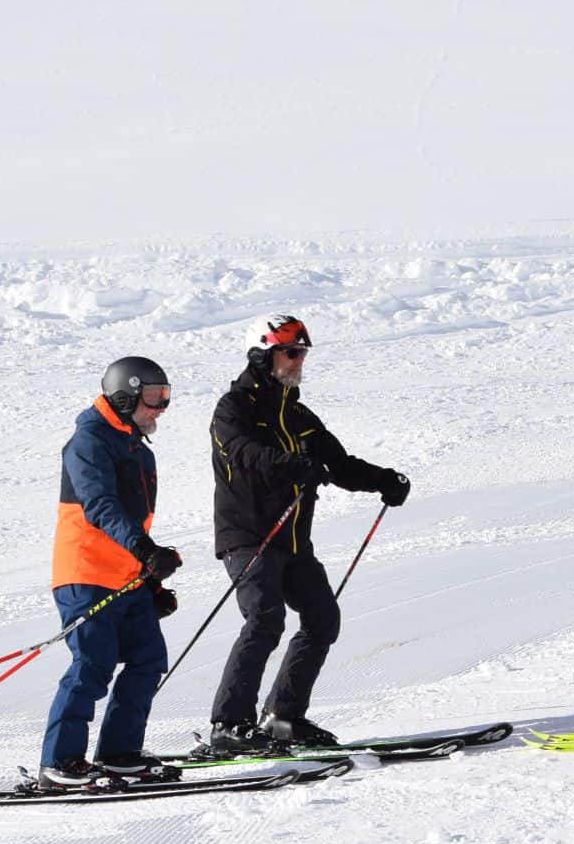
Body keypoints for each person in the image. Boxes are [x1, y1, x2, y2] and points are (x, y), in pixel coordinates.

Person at [205, 314, 410, 754]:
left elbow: (339, 465)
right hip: (250, 535)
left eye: (301, 353)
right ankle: (229, 725)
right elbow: (242, 453)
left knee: (322, 619)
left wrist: (384, 480)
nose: (299, 361)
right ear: (263, 355)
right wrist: (290, 463)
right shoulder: (233, 408)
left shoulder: (298, 415)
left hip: (294, 540)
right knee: (264, 619)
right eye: (291, 352)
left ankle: (284, 717)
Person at [38, 356, 184, 788]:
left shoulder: (134, 445)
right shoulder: (89, 442)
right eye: (155, 398)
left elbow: (133, 523)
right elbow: (100, 507)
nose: (161, 408)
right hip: (84, 573)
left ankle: (119, 753)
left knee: (148, 659)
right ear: (125, 396)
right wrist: (146, 550)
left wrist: (150, 577)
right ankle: (59, 763)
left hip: (126, 578)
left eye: (167, 397)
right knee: (93, 663)